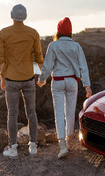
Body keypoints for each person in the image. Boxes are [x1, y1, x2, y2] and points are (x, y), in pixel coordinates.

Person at [37, 17, 92, 159]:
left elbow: (48, 66)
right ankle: (68, 141)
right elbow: (83, 67)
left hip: (58, 81)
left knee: (59, 113)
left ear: (58, 31)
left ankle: (62, 146)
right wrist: (87, 87)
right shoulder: (76, 46)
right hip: (72, 81)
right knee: (70, 112)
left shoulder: (53, 45)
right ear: (70, 32)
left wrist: (42, 79)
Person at [0, 4, 44, 159]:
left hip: (11, 79)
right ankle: (33, 146)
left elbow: (1, 60)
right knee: (31, 112)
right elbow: (39, 57)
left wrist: (2, 78)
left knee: (12, 114)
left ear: (12, 16)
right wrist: (43, 77)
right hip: (29, 79)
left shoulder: (3, 33)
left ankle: (13, 148)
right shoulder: (33, 33)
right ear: (25, 16)